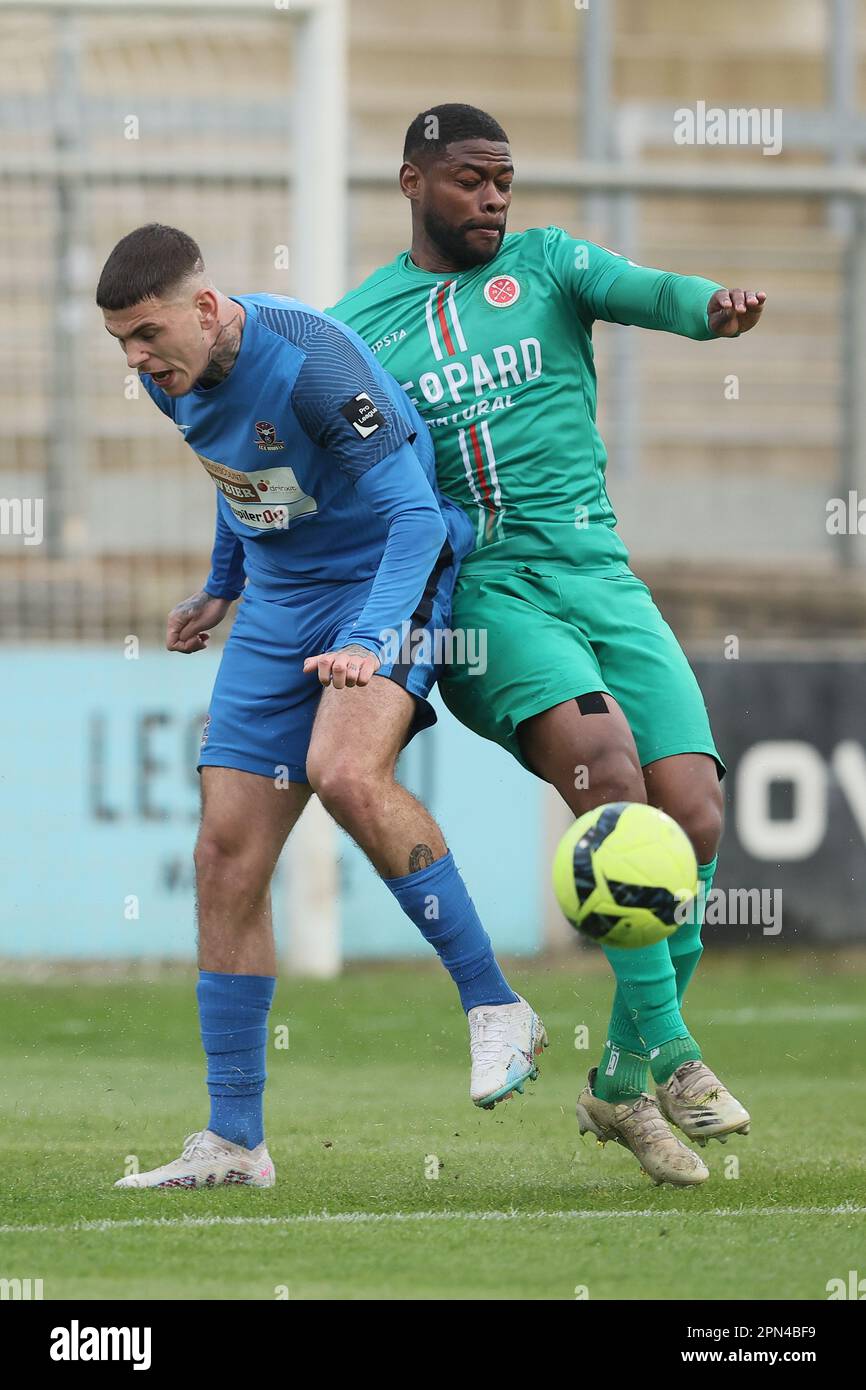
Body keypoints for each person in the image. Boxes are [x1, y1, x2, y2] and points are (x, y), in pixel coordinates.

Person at [329, 103, 766, 1186]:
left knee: (695, 810)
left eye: (504, 179)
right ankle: (672, 1054)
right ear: (410, 181)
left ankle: (616, 1086)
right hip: (483, 593)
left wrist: (709, 310)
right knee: (609, 773)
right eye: (470, 179)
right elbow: (310, 453)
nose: (492, 198)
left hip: (596, 574)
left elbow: (648, 291)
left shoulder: (550, 265)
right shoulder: (354, 330)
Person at [96, 223, 546, 1190]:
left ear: (205, 307)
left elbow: (416, 516)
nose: (134, 359)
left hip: (388, 574)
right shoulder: (166, 377)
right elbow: (239, 477)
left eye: (144, 332)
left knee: (344, 771)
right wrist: (220, 587)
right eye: (121, 342)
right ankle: (233, 1140)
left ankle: (496, 1007)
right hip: (279, 596)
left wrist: (373, 639)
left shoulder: (311, 363)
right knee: (224, 854)